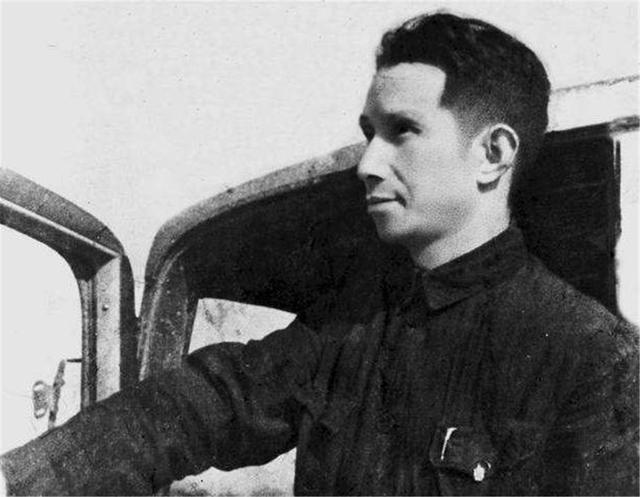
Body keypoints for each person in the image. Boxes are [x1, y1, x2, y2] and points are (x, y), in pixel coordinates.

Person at [1, 11, 638, 496]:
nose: (368, 163)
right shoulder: (349, 325)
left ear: (493, 154)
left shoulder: (592, 358)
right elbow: (206, 403)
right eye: (369, 134)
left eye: (402, 131)